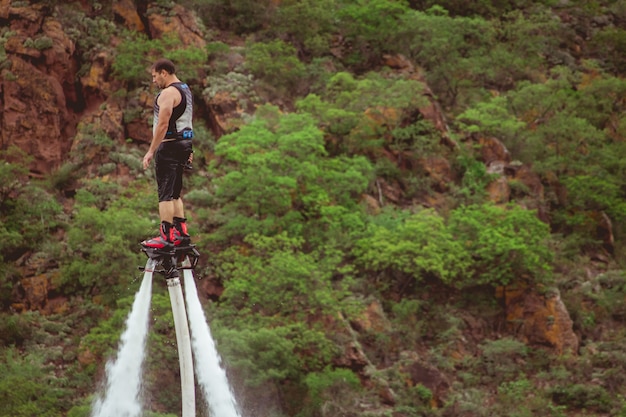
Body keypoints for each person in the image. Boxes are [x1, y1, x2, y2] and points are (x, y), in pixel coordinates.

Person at [141, 58, 194, 250]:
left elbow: (163, 124)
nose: (154, 81)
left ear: (164, 72)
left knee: (164, 193)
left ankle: (166, 237)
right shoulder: (185, 90)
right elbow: (187, 120)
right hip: (184, 144)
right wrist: (190, 148)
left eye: (155, 76)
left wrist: (151, 150)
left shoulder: (168, 93)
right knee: (175, 193)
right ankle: (181, 233)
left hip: (169, 146)